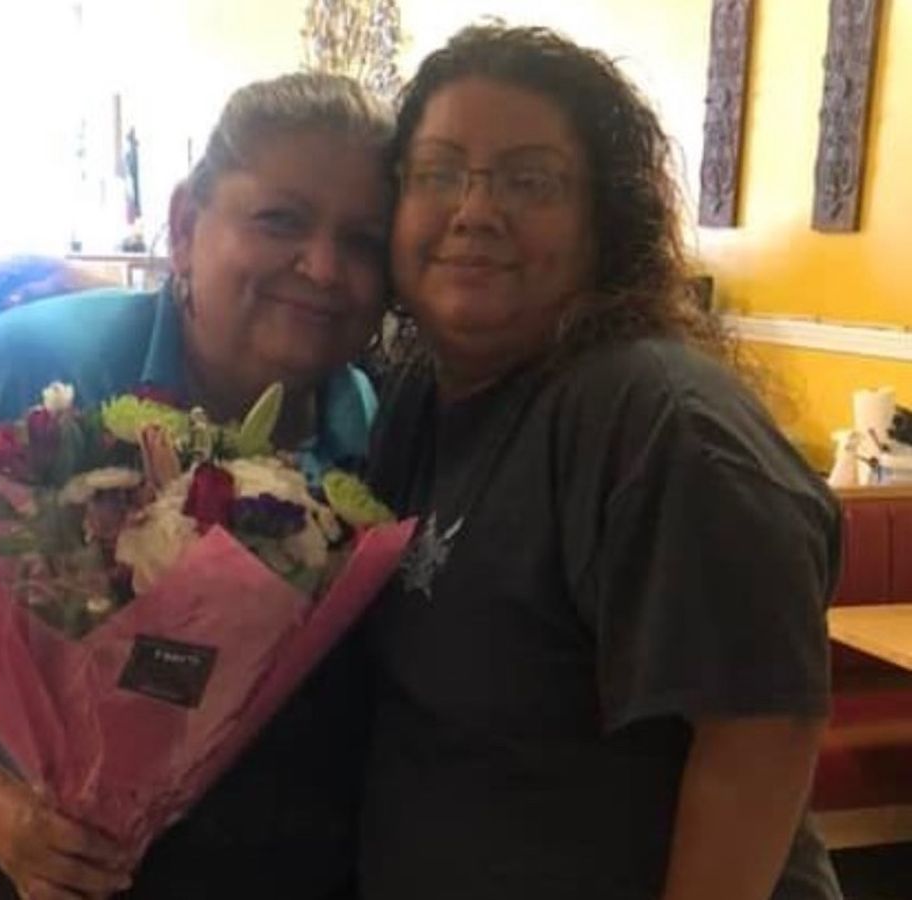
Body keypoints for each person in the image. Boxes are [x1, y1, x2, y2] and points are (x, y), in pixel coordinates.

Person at [0, 71, 392, 900]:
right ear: (185, 226)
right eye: (280, 220)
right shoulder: (26, 366)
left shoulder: (370, 431)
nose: (323, 267)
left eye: (363, 241)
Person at [361, 24, 843, 900]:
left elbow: (761, 734)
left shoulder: (661, 424)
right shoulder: (416, 396)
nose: (475, 210)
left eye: (530, 181)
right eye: (437, 173)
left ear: (604, 221)